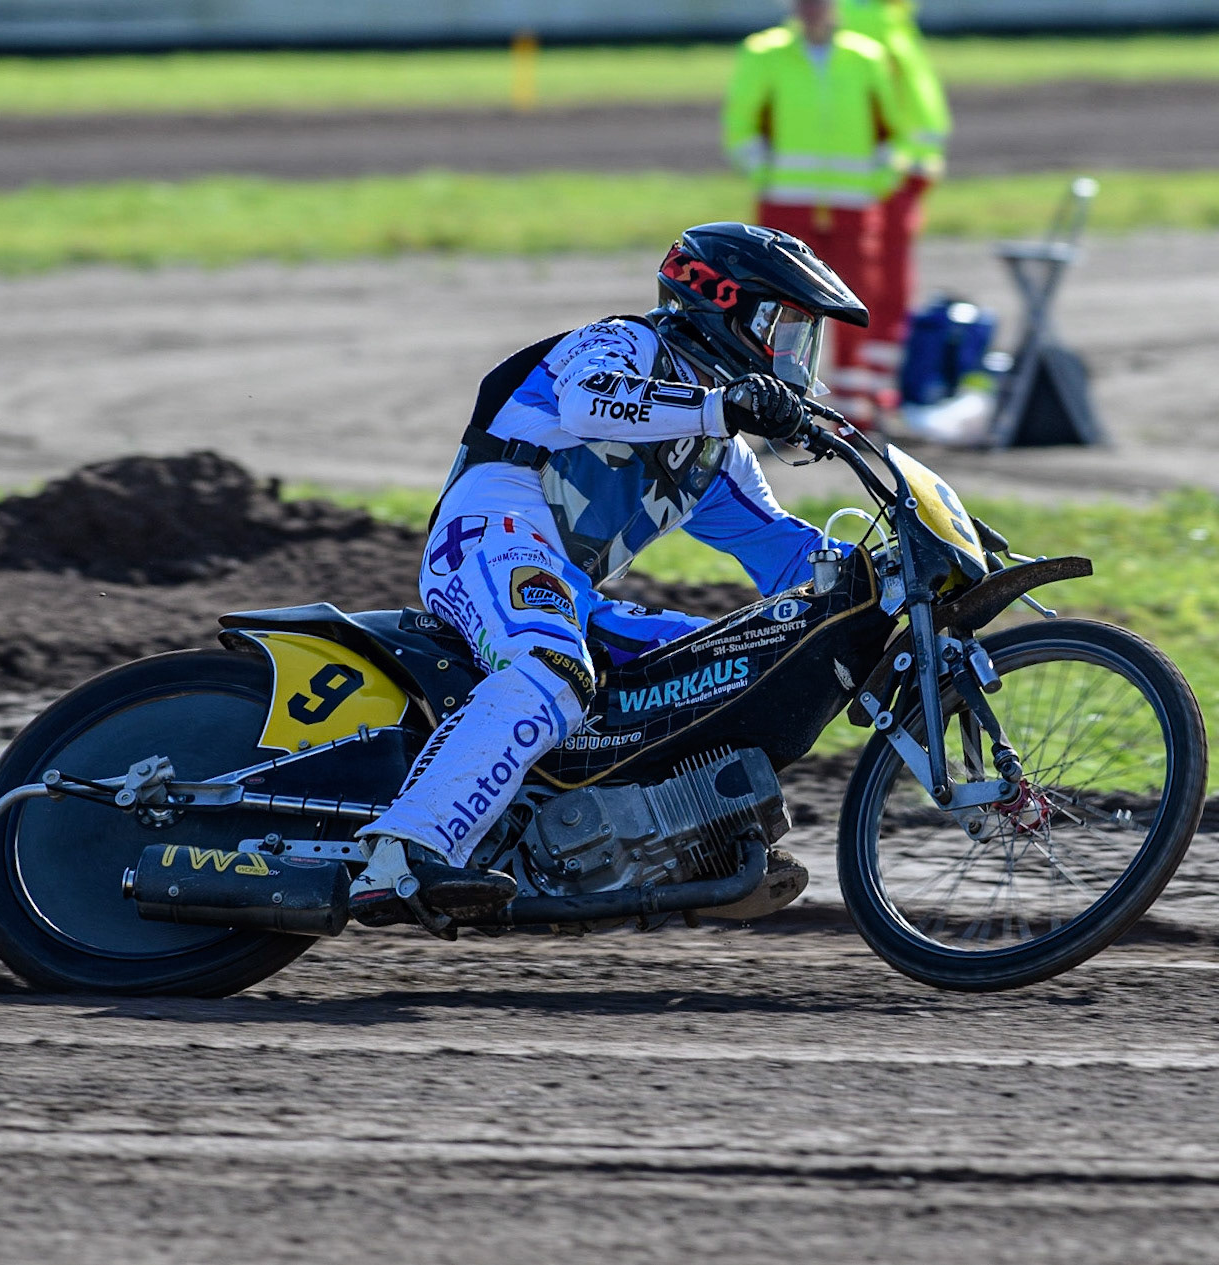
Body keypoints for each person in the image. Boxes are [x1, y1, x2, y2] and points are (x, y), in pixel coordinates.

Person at [348, 223, 868, 927]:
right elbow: (587, 401)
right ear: (720, 302)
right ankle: (403, 851)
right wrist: (721, 407)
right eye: (781, 326)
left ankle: (688, 847)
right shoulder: (623, 343)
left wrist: (886, 585)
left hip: (571, 592)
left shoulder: (718, 458)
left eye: (801, 336)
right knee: (552, 667)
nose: (790, 354)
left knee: (732, 661)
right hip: (488, 533)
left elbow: (780, 550)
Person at [722, 0, 909, 427]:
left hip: (852, 206)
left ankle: (853, 402)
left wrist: (875, 185)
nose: (812, 9)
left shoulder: (866, 56)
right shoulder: (764, 53)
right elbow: (741, 122)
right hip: (788, 201)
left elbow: (891, 130)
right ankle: (782, 406)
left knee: (856, 297)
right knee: (782, 306)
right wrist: (765, 176)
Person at [840, 0, 952, 372]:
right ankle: (869, 388)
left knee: (886, 288)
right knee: (878, 287)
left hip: (897, 177)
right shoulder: (869, 23)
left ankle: (877, 386)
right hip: (884, 181)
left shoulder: (892, 21)